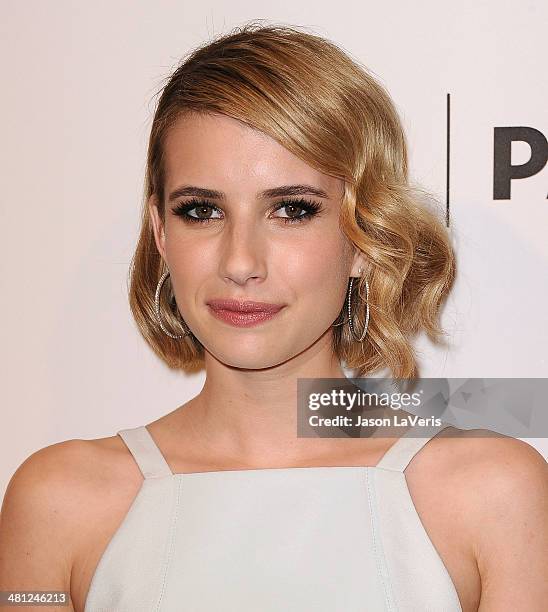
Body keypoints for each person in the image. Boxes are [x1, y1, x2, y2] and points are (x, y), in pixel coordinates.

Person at [1, 21, 546, 612]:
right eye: (202, 210)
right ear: (159, 230)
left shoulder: (492, 493)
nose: (240, 262)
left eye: (292, 209)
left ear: (365, 238)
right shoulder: (59, 501)